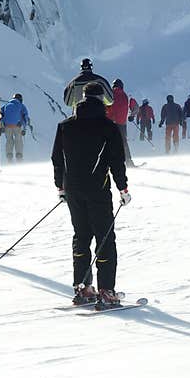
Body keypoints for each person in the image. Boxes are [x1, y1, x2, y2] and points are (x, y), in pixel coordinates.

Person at [51, 82, 130, 307]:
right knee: (105, 237)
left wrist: (61, 186)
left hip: (73, 189)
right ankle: (106, 290)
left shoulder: (65, 125)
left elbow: (57, 158)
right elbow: (117, 162)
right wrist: (123, 189)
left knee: (81, 235)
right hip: (98, 189)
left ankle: (83, 287)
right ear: (102, 100)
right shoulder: (109, 127)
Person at [106, 78, 134, 167]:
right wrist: (131, 115)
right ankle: (129, 161)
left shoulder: (109, 94)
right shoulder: (126, 96)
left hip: (110, 122)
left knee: (108, 142)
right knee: (123, 143)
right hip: (122, 123)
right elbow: (133, 107)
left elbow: (106, 106)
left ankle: (108, 163)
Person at [0, 93, 30, 162]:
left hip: (7, 126)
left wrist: (2, 126)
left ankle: (9, 157)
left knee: (9, 141)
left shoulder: (6, 105)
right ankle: (19, 157)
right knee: (18, 141)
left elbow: (1, 114)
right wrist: (24, 128)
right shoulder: (21, 106)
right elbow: (25, 117)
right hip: (17, 126)